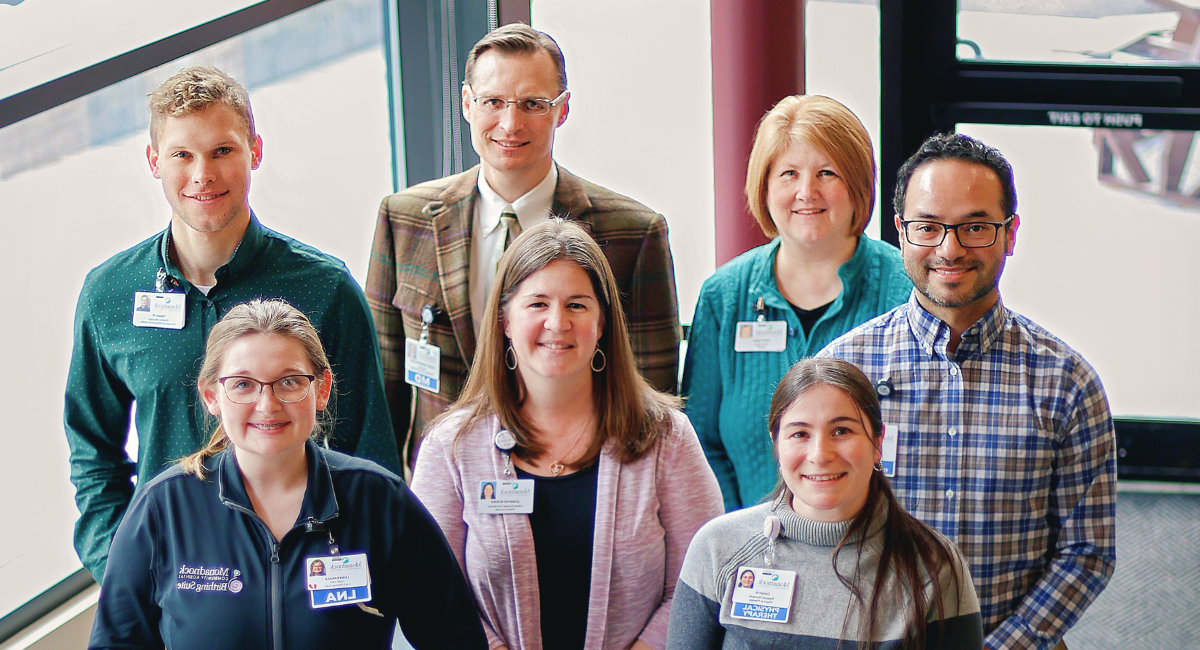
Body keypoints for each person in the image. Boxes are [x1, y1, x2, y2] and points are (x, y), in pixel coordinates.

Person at [65, 66, 401, 583]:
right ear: (153, 161)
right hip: (170, 579)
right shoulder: (109, 295)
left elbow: (369, 455)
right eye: (182, 154)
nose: (203, 174)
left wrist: (345, 579)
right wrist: (121, 566)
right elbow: (93, 451)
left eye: (222, 151)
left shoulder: (325, 290)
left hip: (300, 572)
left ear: (255, 151)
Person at [820, 133, 1116, 649]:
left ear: (1010, 233)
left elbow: (1086, 551)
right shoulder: (844, 372)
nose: (949, 249)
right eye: (928, 227)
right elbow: (811, 528)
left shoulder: (1068, 383)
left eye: (975, 227)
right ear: (901, 233)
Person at [367, 23, 682, 470]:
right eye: (494, 102)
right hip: (446, 495)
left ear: (563, 109)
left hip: (583, 484)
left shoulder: (632, 232)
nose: (510, 124)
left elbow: (653, 397)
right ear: (466, 104)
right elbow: (383, 396)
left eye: (533, 104)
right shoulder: (404, 220)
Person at [89, 300, 486, 650]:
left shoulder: (380, 500)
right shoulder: (163, 509)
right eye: (243, 384)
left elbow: (456, 639)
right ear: (211, 395)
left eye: (290, 381)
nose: (267, 404)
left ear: (321, 389)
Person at [411, 219, 724, 650]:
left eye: (577, 305)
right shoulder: (451, 447)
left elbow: (703, 582)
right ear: (504, 321)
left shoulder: (666, 437)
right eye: (537, 304)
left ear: (602, 324)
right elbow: (433, 595)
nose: (557, 323)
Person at [682, 95, 912, 511]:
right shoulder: (723, 296)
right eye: (789, 174)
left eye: (827, 173)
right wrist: (745, 539)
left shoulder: (906, 290)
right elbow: (701, 446)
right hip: (754, 559)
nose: (807, 192)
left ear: (858, 185)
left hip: (877, 554)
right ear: (765, 186)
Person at [668, 358, 982, 649]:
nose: (820, 454)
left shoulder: (935, 563)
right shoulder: (717, 547)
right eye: (800, 434)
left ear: (877, 443)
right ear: (776, 443)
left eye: (841, 431)